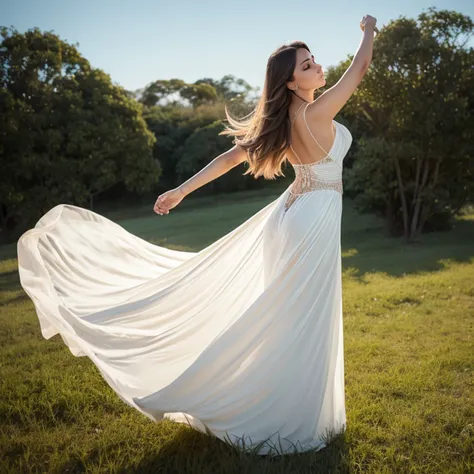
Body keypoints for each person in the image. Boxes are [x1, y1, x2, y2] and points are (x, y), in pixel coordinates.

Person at [17, 14, 377, 457]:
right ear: (289, 83)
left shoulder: (285, 121)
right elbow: (358, 70)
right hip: (309, 220)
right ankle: (289, 419)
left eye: (313, 60)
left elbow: (230, 158)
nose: (317, 67)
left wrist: (181, 189)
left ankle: (289, 408)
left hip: (295, 215)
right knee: (300, 318)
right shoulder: (315, 113)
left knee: (289, 318)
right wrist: (368, 32)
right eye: (306, 65)